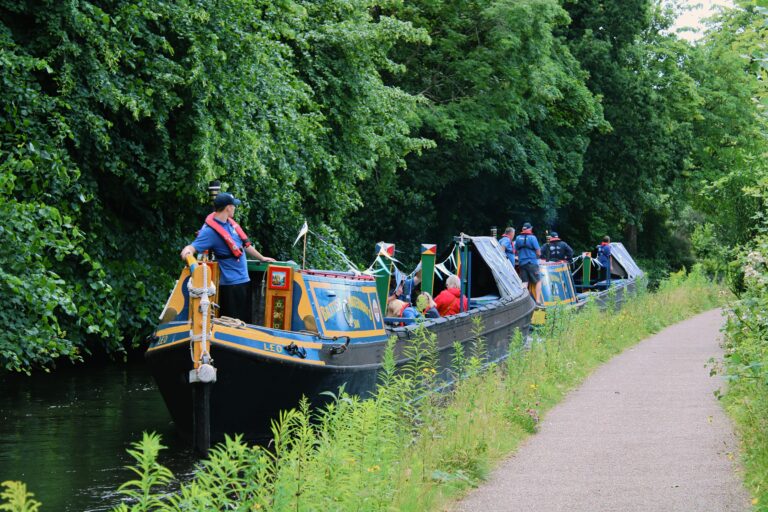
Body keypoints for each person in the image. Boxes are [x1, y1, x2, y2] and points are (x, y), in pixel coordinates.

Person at [180, 192, 276, 323]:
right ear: (228, 208)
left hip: (243, 281)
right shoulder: (210, 231)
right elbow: (192, 247)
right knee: (233, 324)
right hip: (231, 286)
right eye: (234, 205)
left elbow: (244, 246)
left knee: (244, 323)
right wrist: (187, 253)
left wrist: (262, 258)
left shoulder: (230, 225)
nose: (235, 208)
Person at [514, 222, 542, 304]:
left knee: (525, 282)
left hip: (522, 263)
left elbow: (516, 250)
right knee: (538, 281)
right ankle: (537, 300)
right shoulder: (533, 238)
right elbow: (538, 252)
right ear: (530, 229)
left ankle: (523, 302)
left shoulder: (518, 238)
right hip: (531, 262)